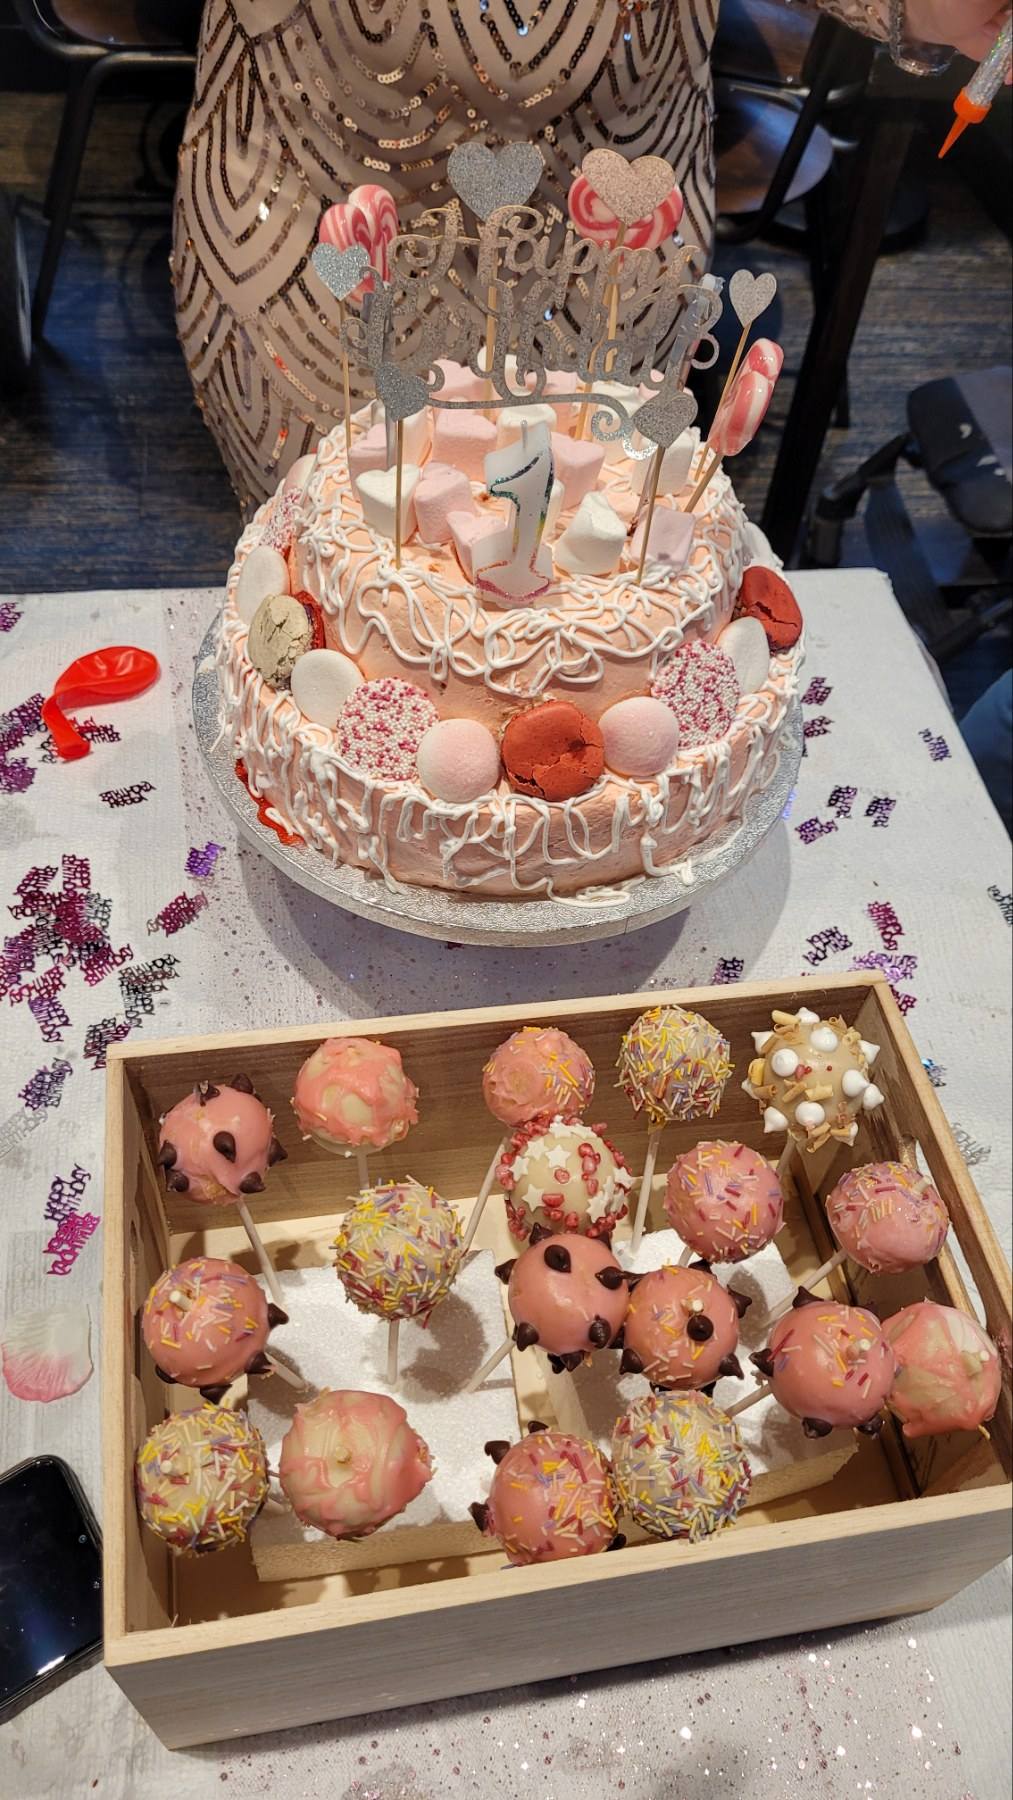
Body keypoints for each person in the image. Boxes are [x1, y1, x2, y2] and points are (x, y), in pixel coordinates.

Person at [172, 0, 1008, 511]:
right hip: (317, 191)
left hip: (617, 203)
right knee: (341, 573)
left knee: (584, 555)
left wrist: (921, 6)